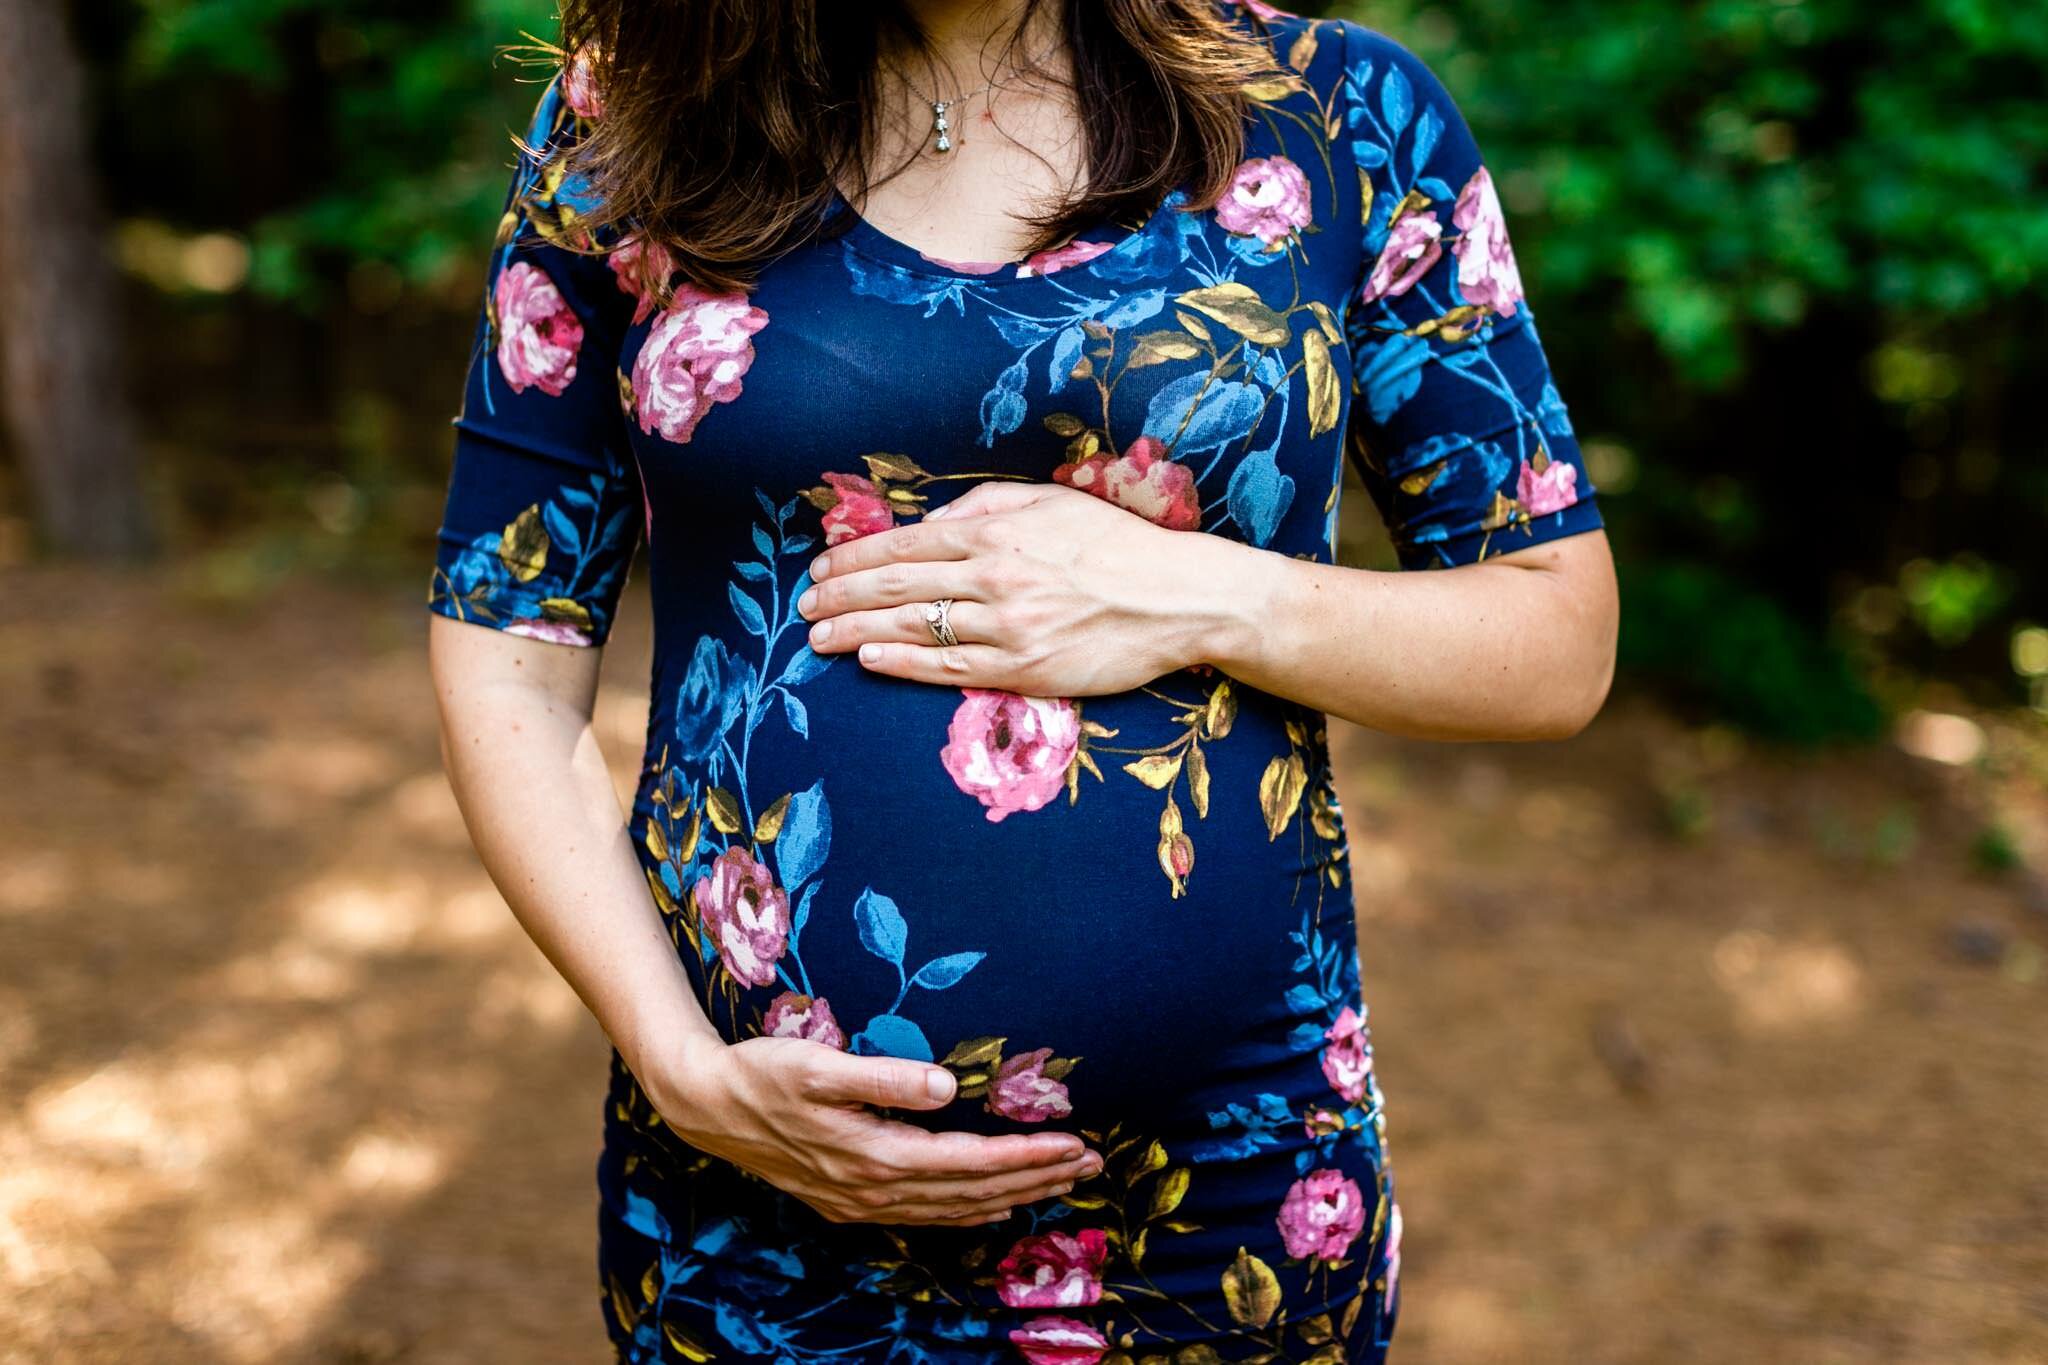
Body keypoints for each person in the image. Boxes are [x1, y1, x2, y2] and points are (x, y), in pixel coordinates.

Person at [426, 1, 1618, 1359]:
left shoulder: (1340, 115)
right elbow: (505, 648)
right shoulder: (632, 116)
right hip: (749, 1208)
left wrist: (1201, 593)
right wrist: (679, 1063)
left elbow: (1555, 637)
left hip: (1224, 1217)